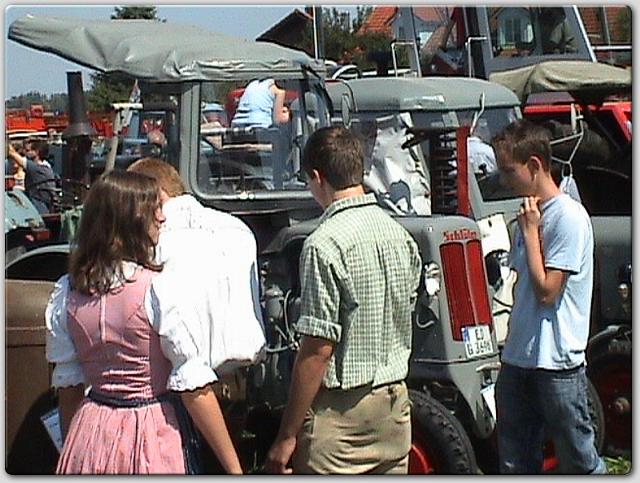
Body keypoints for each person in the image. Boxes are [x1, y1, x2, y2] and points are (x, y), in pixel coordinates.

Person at [44, 170, 243, 474]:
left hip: (90, 430)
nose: (162, 218)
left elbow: (70, 388)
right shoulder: (159, 289)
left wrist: (74, 451)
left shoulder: (67, 291)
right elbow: (193, 389)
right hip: (149, 432)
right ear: (130, 219)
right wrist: (235, 470)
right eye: (154, 209)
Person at [265, 126, 422, 474]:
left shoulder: (323, 245)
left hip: (341, 422)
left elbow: (318, 350)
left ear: (317, 177)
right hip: (394, 411)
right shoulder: (400, 235)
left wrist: (286, 435)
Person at [491, 119, 606, 474]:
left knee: (579, 460)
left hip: (557, 363)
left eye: (509, 171)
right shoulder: (529, 214)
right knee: (516, 461)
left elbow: (547, 291)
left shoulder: (568, 218)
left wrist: (530, 234)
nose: (504, 180)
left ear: (534, 165)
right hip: (519, 357)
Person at [126, 158, 266, 376]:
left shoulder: (154, 243)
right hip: (244, 375)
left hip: (184, 379)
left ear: (156, 194)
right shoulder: (238, 229)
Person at [7, 140, 57, 213]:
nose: (25, 153)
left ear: (36, 152)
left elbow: (13, 154)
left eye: (28, 150)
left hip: (39, 208)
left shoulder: (38, 168)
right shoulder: (47, 166)